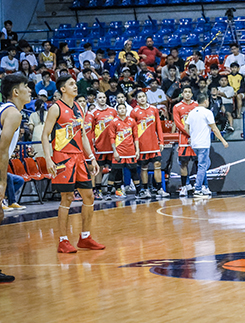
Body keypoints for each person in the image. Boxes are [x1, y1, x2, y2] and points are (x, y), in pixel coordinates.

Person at [41, 74, 103, 253]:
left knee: (89, 196)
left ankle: (85, 237)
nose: (75, 86)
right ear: (62, 89)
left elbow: (83, 135)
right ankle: (63, 241)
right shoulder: (55, 109)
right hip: (63, 158)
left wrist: (91, 157)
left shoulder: (78, 107)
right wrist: (48, 158)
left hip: (79, 158)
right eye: (71, 84)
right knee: (66, 197)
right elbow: (45, 135)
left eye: (75, 84)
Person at [0, 74, 32, 281]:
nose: (30, 90)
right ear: (16, 92)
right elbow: (2, 151)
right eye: (26, 87)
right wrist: (2, 183)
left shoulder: (5, 109)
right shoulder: (13, 113)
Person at [185, 94, 228, 198]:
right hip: (203, 143)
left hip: (194, 143)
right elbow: (214, 128)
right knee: (202, 165)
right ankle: (198, 189)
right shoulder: (207, 112)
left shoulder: (191, 113)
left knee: (205, 164)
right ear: (205, 101)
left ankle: (204, 187)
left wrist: (192, 136)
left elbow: (186, 127)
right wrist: (223, 140)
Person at [131, 90, 166, 199]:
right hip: (142, 144)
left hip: (154, 144)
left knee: (157, 165)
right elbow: (132, 130)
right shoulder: (134, 112)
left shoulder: (154, 109)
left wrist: (161, 141)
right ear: (136, 100)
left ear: (146, 97)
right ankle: (145, 189)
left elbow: (158, 126)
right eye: (139, 97)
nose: (142, 98)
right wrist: (135, 146)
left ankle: (159, 189)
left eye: (143, 96)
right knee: (144, 167)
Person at [108, 102, 140, 198]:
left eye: (123, 108)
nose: (122, 110)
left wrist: (137, 150)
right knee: (114, 171)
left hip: (130, 151)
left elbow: (136, 137)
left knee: (134, 171)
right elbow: (111, 138)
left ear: (126, 110)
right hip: (119, 151)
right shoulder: (113, 122)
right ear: (117, 111)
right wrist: (115, 151)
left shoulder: (132, 121)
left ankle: (138, 192)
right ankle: (110, 193)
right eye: (120, 108)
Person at [172, 87, 198, 197]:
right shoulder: (177, 107)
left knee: (198, 163)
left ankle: (199, 186)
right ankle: (184, 187)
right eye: (185, 92)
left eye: (189, 92)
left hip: (196, 139)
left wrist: (195, 135)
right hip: (184, 139)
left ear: (192, 94)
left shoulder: (196, 106)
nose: (187, 94)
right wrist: (190, 134)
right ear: (182, 94)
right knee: (184, 163)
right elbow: (178, 124)